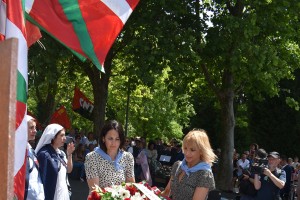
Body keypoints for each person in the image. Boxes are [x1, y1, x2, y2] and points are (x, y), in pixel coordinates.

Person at [162, 129, 216, 200]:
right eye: (185, 148)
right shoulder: (177, 165)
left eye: (192, 150)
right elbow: (167, 192)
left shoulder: (204, 174)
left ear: (201, 151)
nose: (187, 153)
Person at [84, 120, 135, 190]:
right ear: (103, 139)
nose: (113, 143)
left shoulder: (128, 157)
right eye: (110, 138)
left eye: (117, 139)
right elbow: (95, 191)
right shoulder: (92, 157)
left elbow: (131, 186)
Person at [35, 124, 75, 200]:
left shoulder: (61, 153)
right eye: (62, 135)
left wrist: (69, 155)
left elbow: (69, 170)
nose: (65, 138)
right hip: (52, 195)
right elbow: (42, 180)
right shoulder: (44, 154)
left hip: (63, 194)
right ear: (53, 137)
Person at [24, 115, 44, 200]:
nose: (35, 131)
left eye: (35, 128)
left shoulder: (31, 149)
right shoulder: (15, 151)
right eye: (31, 128)